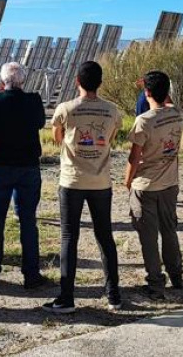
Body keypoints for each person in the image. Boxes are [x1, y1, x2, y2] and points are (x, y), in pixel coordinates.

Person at [43, 61, 123, 314]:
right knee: (104, 236)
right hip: (101, 182)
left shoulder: (65, 109)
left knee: (69, 237)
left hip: (72, 180)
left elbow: (57, 137)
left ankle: (66, 297)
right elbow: (110, 139)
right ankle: (113, 295)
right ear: (100, 83)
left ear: (77, 81)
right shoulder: (112, 111)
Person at [0, 62, 47, 289]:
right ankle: (31, 274)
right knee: (28, 220)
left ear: (2, 81)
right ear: (23, 81)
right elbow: (40, 122)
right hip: (28, 166)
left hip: (1, 166)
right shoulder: (34, 100)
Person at [125, 71, 183, 301]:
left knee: (148, 237)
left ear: (146, 92)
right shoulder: (178, 114)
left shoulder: (144, 121)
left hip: (146, 185)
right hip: (169, 183)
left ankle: (155, 283)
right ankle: (176, 274)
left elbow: (134, 157)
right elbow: (168, 102)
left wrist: (128, 180)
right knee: (169, 230)